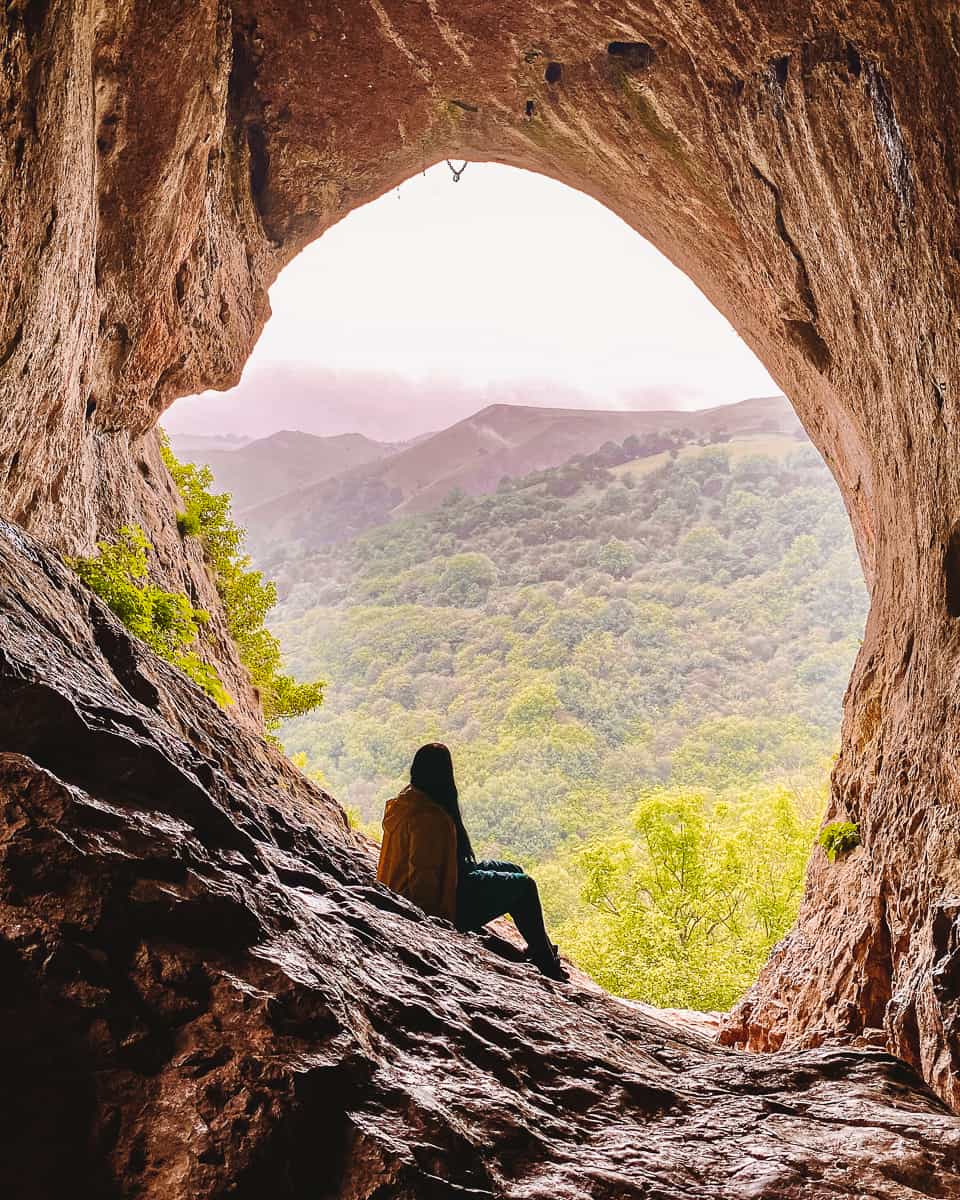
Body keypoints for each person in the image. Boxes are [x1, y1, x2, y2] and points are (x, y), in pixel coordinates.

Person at [377, 743, 567, 980]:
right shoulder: (429, 818)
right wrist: (432, 926)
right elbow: (423, 878)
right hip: (441, 902)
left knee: (513, 870)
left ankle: (539, 947)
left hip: (433, 883)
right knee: (525, 887)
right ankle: (546, 961)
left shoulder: (406, 800)